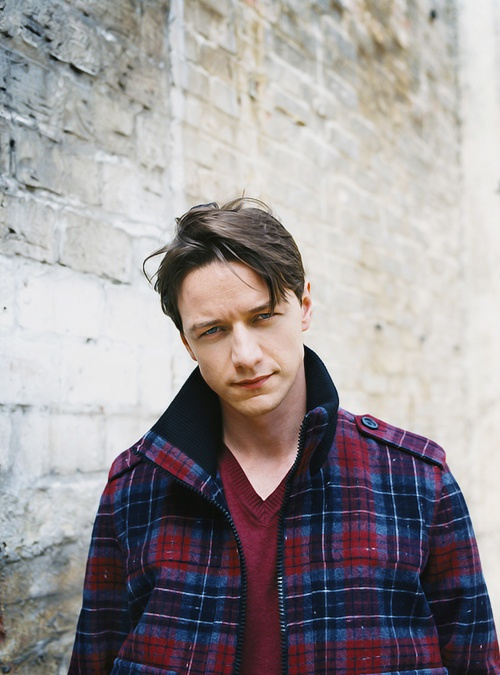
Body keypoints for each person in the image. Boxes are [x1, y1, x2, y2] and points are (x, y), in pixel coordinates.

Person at [69, 198, 500, 674]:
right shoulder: (134, 489)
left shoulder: (417, 482)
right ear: (187, 343)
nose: (246, 355)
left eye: (263, 316)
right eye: (213, 330)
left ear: (305, 306)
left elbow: (476, 661)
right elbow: (94, 658)